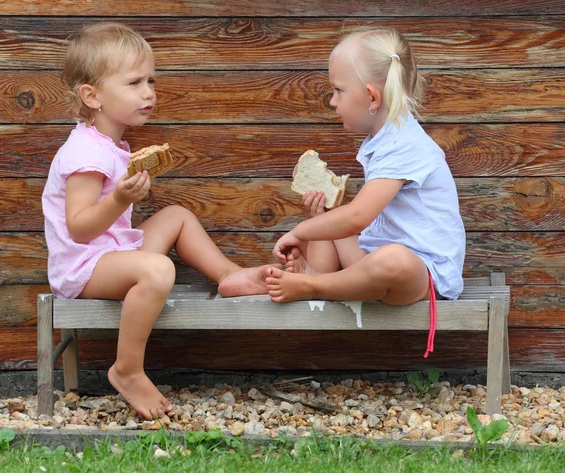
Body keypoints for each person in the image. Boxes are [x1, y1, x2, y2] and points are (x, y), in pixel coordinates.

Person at [42, 23, 274, 419]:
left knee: (177, 216)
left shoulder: (110, 145)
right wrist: (119, 198)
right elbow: (79, 228)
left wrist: (121, 198)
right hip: (82, 268)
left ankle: (229, 275)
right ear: (92, 96)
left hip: (112, 253)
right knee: (158, 270)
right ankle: (127, 369)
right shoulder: (85, 152)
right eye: (134, 82)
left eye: (151, 80)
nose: (148, 91)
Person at [265, 27, 465, 357]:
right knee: (332, 220)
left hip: (420, 275)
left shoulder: (405, 145)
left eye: (338, 90)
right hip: (376, 256)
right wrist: (318, 222)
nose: (332, 101)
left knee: (389, 256)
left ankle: (313, 286)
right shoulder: (384, 140)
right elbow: (352, 222)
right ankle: (315, 276)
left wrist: (301, 230)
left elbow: (358, 217)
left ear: (372, 97)